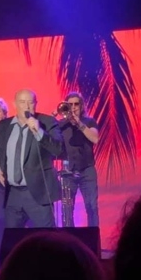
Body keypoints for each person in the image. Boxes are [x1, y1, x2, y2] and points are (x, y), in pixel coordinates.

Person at [0, 89, 63, 228]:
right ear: (14, 104)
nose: (26, 106)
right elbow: (1, 150)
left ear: (36, 104)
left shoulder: (47, 122)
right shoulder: (4, 125)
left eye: (30, 102)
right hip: (13, 193)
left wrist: (40, 132)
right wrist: (1, 167)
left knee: (47, 239)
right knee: (13, 241)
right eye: (22, 102)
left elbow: (58, 149)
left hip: (37, 193)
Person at [58, 91, 99, 227]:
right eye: (70, 105)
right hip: (68, 172)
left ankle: (93, 240)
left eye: (76, 104)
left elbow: (95, 138)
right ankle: (69, 242)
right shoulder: (61, 124)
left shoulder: (89, 121)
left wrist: (79, 124)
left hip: (87, 170)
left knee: (92, 207)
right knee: (67, 210)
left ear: (81, 106)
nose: (73, 107)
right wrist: (53, 116)